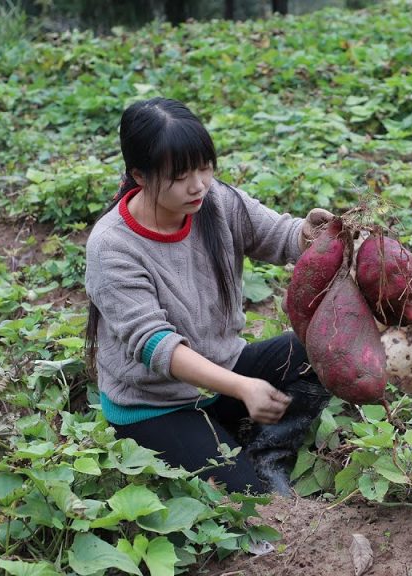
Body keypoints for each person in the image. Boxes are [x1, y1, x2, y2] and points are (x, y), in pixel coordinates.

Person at [84, 97, 334, 496]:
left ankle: (269, 454)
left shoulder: (216, 201)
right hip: (154, 406)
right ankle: (234, 457)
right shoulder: (112, 246)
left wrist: (309, 234)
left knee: (318, 350)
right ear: (141, 176)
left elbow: (278, 235)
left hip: (223, 375)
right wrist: (242, 387)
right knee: (247, 505)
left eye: (204, 167)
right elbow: (155, 345)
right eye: (180, 175)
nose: (198, 184)